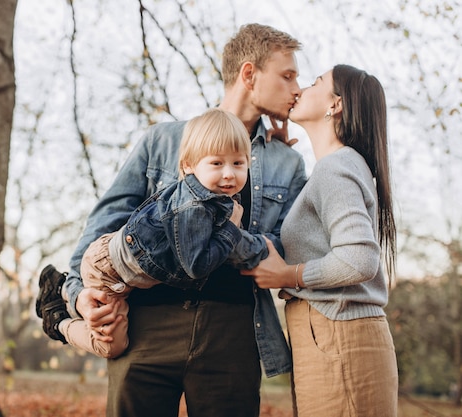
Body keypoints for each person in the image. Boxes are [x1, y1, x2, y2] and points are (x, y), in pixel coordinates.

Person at [39, 23, 307, 417]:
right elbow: (104, 224)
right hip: (146, 327)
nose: (297, 88)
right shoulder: (162, 141)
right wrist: (80, 294)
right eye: (287, 75)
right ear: (249, 75)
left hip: (231, 333)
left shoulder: (288, 162)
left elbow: (284, 248)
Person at [38, 108, 280, 359]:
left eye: (238, 163)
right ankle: (59, 314)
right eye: (217, 163)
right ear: (188, 166)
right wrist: (231, 230)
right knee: (111, 345)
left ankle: (63, 295)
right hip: (106, 270)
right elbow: (196, 267)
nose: (229, 173)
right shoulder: (192, 207)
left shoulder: (217, 197)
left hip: (127, 267)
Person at [246, 64, 399, 416]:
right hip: (333, 334)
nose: (300, 89)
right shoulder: (335, 167)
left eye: (315, 82)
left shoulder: (336, 168)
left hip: (339, 335)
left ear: (336, 105)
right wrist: (279, 155)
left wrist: (288, 277)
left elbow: (359, 259)